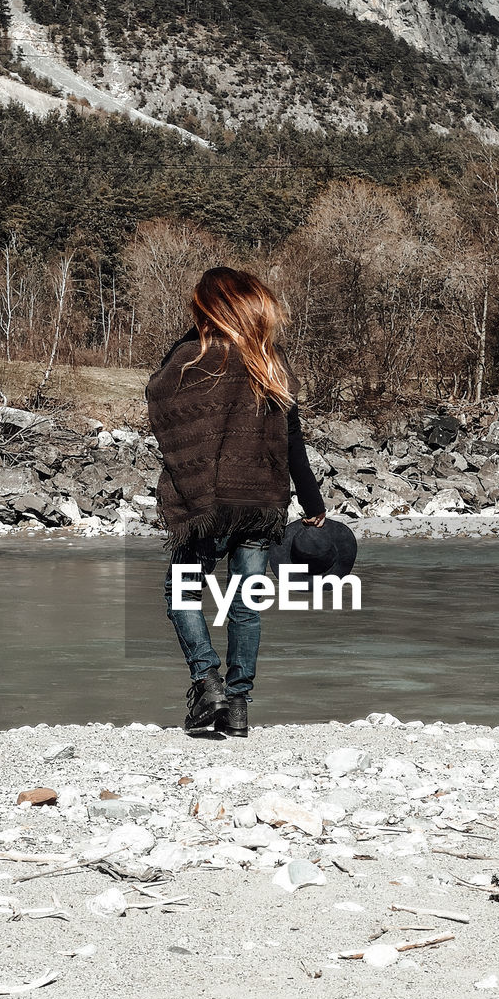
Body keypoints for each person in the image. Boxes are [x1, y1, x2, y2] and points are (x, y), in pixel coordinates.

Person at [146, 266, 325, 737]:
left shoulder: (189, 359)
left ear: (207, 309)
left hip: (204, 503)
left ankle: (208, 684)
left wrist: (196, 333)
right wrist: (312, 501)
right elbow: (293, 442)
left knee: (182, 593)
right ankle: (239, 704)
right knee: (245, 604)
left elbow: (158, 397)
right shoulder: (270, 362)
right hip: (262, 501)